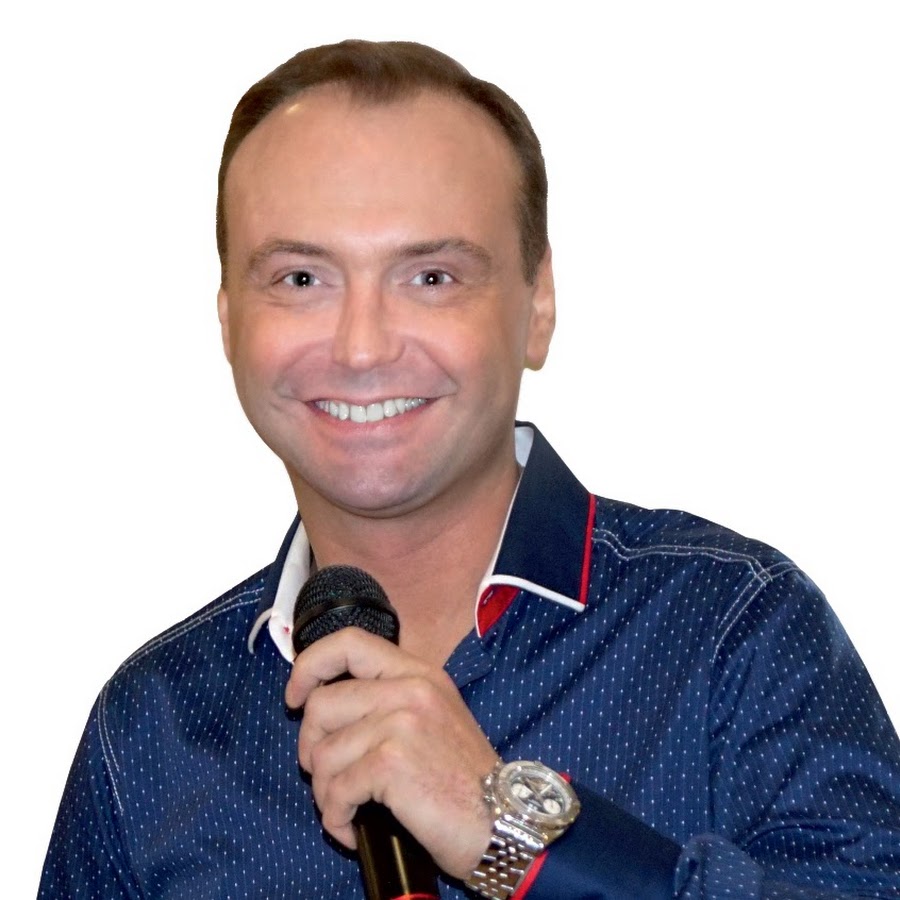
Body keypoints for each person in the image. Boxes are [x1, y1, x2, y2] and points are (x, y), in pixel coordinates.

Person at [40, 39, 900, 899]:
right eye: (301, 278)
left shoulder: (734, 634)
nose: (363, 346)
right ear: (229, 320)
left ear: (538, 304)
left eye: (431, 276)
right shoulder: (149, 732)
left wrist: (513, 834)